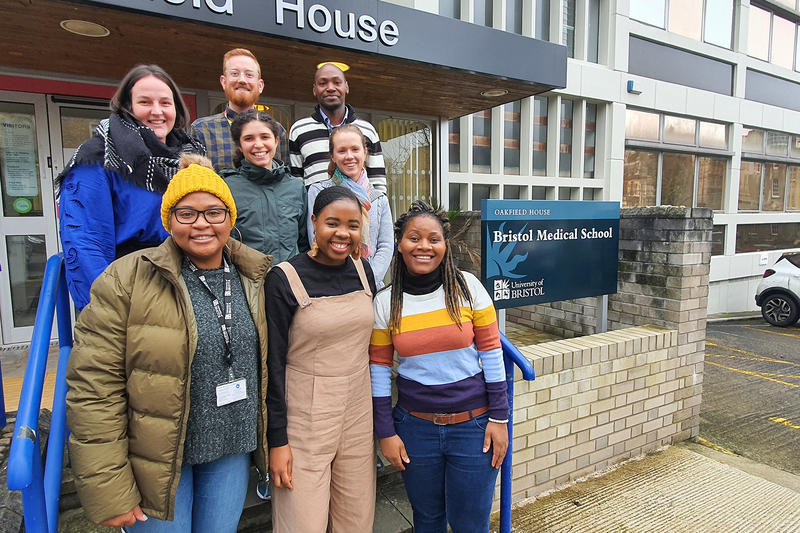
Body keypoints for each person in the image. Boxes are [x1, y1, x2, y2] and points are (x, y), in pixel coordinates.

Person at [65, 156, 271, 532]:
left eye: (214, 212)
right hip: (155, 460)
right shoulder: (126, 279)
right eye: (186, 213)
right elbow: (94, 387)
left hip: (230, 446)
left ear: (230, 217)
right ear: (168, 219)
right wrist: (109, 489)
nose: (202, 224)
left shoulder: (255, 276)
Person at [369, 201, 509, 533]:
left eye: (434, 239)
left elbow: (492, 354)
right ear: (400, 244)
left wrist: (500, 418)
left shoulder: (469, 288)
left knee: (470, 524)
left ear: (444, 246)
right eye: (414, 238)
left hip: (474, 428)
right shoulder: (385, 302)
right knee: (427, 520)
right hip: (415, 429)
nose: (424, 246)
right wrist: (386, 432)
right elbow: (378, 370)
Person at [266, 186, 377, 533]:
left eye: (352, 225)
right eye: (332, 223)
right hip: (305, 416)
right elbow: (273, 363)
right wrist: (277, 440)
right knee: (303, 520)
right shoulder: (283, 278)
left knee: (356, 517)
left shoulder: (363, 270)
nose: (343, 233)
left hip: (358, 411)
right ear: (314, 222)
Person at [57, 64, 205, 311]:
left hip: (189, 285)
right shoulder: (98, 158)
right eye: (145, 102)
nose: (157, 111)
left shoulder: (193, 157)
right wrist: (106, 310)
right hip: (130, 288)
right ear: (128, 107)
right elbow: (85, 244)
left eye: (165, 103)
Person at [307, 124, 393, 287]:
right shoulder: (318, 192)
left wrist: (368, 280)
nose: (349, 156)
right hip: (329, 284)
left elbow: (385, 246)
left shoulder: (378, 199)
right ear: (333, 156)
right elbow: (315, 238)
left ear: (365, 152)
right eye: (341, 151)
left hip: (370, 287)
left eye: (355, 149)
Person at [221, 109, 308, 264]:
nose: (258, 144)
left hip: (289, 280)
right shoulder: (227, 188)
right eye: (249, 138)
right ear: (239, 145)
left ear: (276, 141)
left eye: (264, 137)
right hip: (247, 283)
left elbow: (303, 242)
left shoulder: (296, 188)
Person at [289, 63, 386, 191]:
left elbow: (378, 182)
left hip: (361, 209)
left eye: (337, 82)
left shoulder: (367, 130)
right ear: (314, 90)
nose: (330, 88)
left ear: (346, 87)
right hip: (316, 209)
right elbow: (296, 184)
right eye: (323, 83)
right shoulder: (299, 130)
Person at [191, 48, 287, 171]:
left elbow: (285, 179)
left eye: (249, 75)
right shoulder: (202, 130)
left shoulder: (278, 131)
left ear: (260, 85)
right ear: (223, 82)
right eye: (235, 73)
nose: (242, 80)